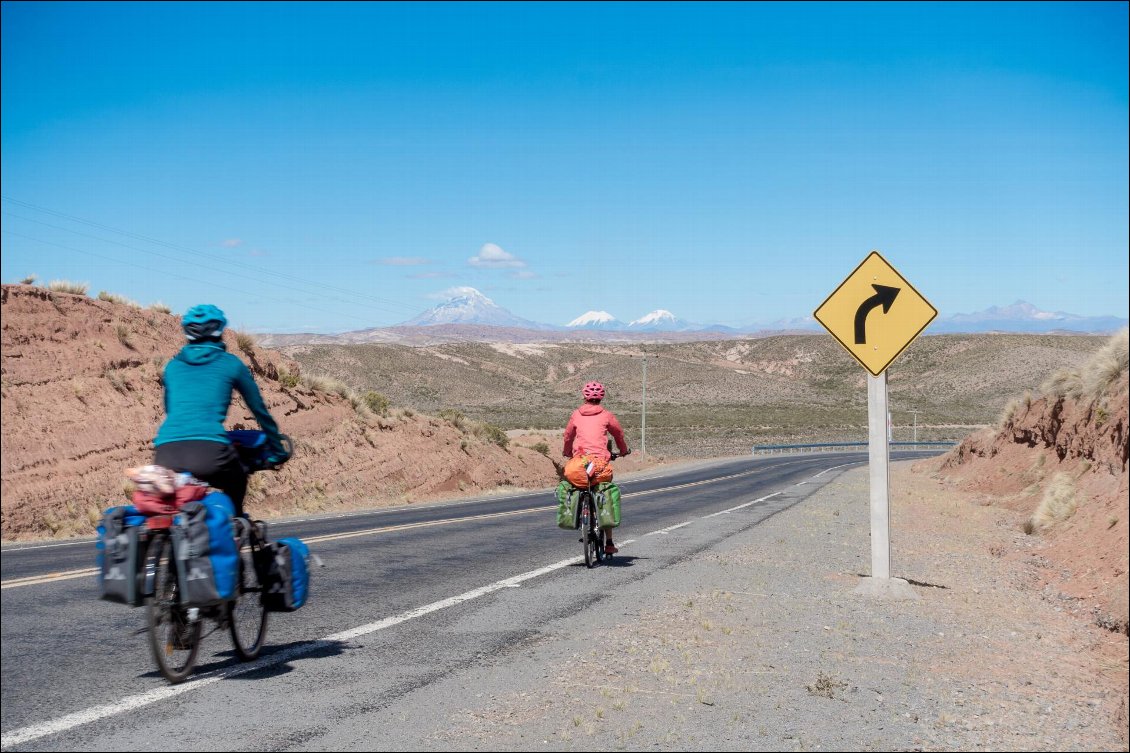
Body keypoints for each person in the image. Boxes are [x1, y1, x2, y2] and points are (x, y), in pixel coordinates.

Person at [152, 304, 287, 517]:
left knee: (172, 514)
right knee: (238, 478)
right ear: (219, 331)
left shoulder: (172, 366)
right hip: (210, 452)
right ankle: (235, 526)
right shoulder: (230, 364)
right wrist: (278, 449)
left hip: (166, 454)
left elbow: (171, 410)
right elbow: (259, 410)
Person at [562, 380, 631, 554]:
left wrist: (567, 452)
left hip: (579, 465)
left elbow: (568, 437)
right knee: (605, 492)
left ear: (584, 396)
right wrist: (623, 451)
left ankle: (580, 518)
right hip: (600, 465)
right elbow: (618, 434)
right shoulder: (606, 415)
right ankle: (609, 542)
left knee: (577, 486)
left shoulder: (576, 415)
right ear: (601, 397)